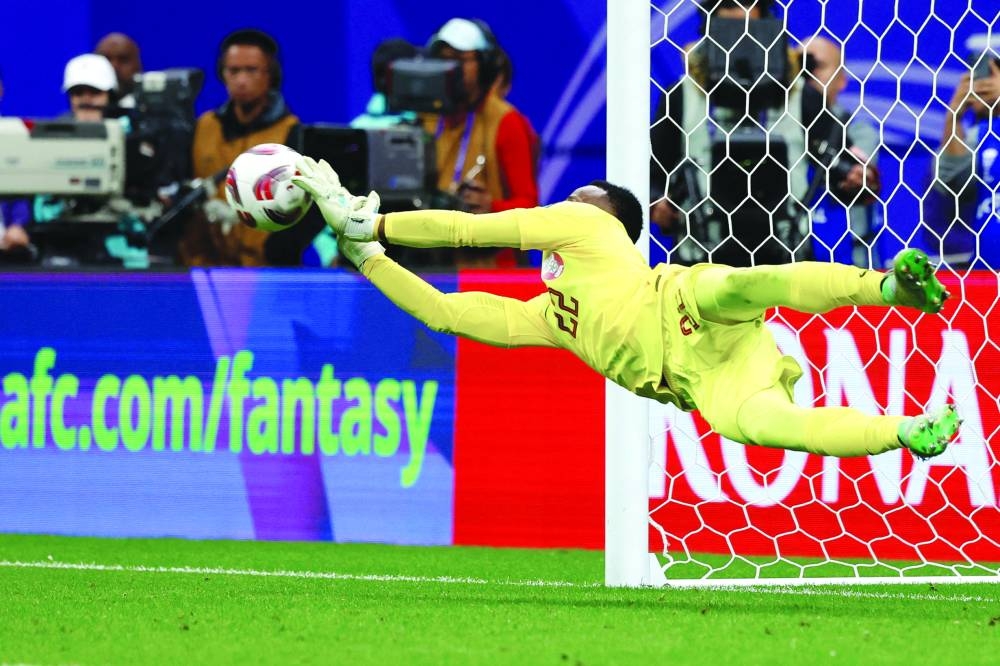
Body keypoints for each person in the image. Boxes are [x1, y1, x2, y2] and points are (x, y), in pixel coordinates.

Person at [293, 156, 960, 460]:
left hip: (688, 305)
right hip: (700, 379)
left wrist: (369, 220)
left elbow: (470, 231)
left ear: (610, 216)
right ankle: (904, 433)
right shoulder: (551, 317)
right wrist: (365, 259)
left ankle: (890, 289)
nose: (570, 201)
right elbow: (444, 313)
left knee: (745, 284)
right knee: (762, 425)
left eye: (584, 195)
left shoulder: (590, 229)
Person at [650, 0, 876, 267]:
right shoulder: (681, 95)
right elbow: (656, 176)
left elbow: (845, 175)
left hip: (786, 258)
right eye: (729, 15)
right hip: (699, 261)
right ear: (710, 25)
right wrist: (659, 205)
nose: (740, 34)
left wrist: (860, 178)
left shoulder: (802, 94)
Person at [180, 28, 311, 267]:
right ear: (222, 74)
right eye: (233, 70)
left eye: (251, 70)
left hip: (267, 272)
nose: (241, 80)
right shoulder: (203, 126)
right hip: (206, 268)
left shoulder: (292, 134)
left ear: (271, 75)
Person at [426, 18, 539, 267]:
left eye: (459, 60)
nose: (449, 68)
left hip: (491, 272)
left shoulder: (506, 121)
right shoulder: (424, 118)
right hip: (430, 266)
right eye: (443, 59)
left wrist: (492, 208)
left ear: (485, 67)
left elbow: (530, 208)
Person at [800, 35, 881, 266]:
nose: (808, 73)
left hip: (850, 266)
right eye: (801, 65)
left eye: (818, 66)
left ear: (842, 79)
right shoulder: (775, 132)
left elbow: (861, 176)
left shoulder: (859, 131)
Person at [934, 51, 1000, 269]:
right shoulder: (979, 135)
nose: (982, 85)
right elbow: (952, 183)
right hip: (987, 271)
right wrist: (954, 116)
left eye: (991, 74)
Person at [60, 53, 117, 122]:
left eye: (95, 92)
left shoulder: (131, 127)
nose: (86, 99)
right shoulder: (56, 130)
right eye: (78, 92)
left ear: (111, 96)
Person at [95, 32, 143, 109]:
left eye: (123, 59)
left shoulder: (150, 111)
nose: (114, 67)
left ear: (138, 65)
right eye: (106, 59)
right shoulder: (83, 109)